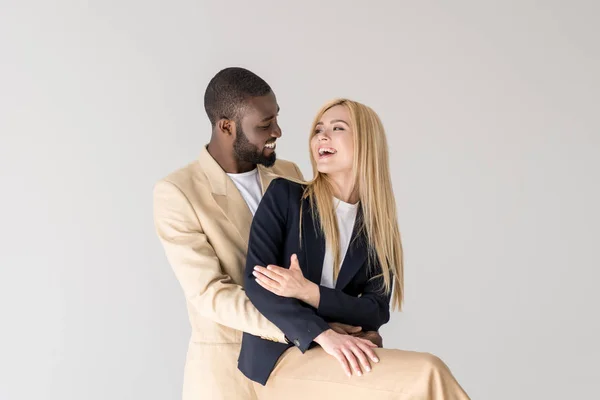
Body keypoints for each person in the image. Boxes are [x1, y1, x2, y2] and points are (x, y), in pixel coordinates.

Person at [153, 68, 380, 400]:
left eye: (276, 119)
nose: (277, 131)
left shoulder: (288, 174)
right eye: (264, 125)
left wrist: (356, 325)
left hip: (303, 365)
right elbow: (211, 294)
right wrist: (310, 330)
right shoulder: (177, 192)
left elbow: (321, 263)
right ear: (226, 126)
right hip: (226, 374)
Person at [238, 98, 471, 399]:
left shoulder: (375, 226)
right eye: (318, 129)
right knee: (428, 371)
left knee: (426, 377)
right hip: (282, 359)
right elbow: (259, 285)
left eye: (338, 128)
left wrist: (310, 292)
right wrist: (324, 334)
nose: (322, 136)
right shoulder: (285, 197)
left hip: (340, 355)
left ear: (366, 143)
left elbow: (375, 311)